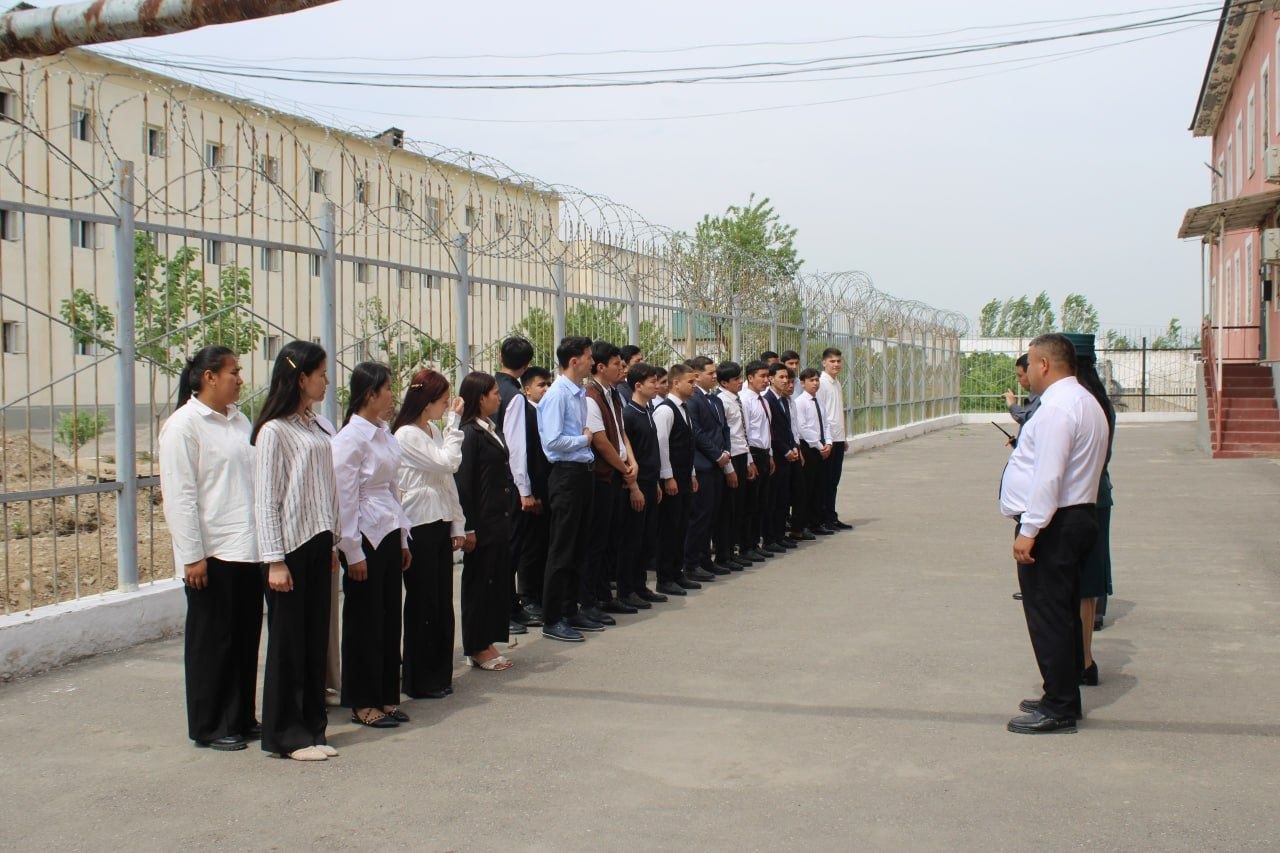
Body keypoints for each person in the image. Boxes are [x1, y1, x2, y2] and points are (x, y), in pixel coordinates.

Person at [999, 333, 1108, 735]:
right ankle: (1061, 693)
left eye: (1030, 362)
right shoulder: (1083, 401)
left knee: (1048, 616)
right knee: (1061, 613)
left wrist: (1029, 530)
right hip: (1073, 516)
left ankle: (1059, 706)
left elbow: (1049, 476)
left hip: (1054, 524)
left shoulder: (1058, 409)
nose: (1028, 370)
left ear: (1044, 364)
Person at [159, 345, 262, 752]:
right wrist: (192, 556)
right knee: (212, 642)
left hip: (247, 548)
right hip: (213, 551)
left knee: (244, 638)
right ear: (209, 377)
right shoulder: (184, 426)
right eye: (233, 371)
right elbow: (180, 496)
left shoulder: (239, 421)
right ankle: (211, 724)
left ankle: (240, 716)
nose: (240, 378)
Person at [251, 340, 341, 761]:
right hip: (289, 547)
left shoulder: (316, 425)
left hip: (318, 541)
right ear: (301, 378)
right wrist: (274, 560)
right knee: (289, 645)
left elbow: (327, 487)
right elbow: (266, 499)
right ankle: (286, 735)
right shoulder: (274, 431)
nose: (327, 381)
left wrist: (332, 540)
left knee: (313, 641)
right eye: (321, 374)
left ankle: (312, 728)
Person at [333, 362, 412, 729]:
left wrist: (403, 537)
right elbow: (345, 498)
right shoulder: (350, 439)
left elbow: (393, 488)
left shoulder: (384, 433)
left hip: (388, 528)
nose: (392, 395)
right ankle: (363, 701)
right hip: (364, 533)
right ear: (370, 394)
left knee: (388, 616)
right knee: (364, 620)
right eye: (387, 388)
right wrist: (352, 550)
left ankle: (385, 694)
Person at [393, 369, 466, 701]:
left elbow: (447, 483)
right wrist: (454, 425)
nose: (447, 406)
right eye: (443, 400)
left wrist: (457, 523)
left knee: (440, 602)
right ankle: (419, 678)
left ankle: (439, 672)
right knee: (423, 601)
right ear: (427, 401)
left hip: (438, 519)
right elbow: (447, 463)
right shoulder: (407, 435)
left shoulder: (433, 430)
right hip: (418, 522)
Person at [536, 336, 597, 642]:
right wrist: (585, 440)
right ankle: (553, 618)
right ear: (574, 361)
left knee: (579, 545)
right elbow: (552, 442)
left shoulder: (579, 392)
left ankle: (570, 609)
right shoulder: (558, 395)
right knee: (562, 548)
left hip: (583, 473)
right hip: (566, 475)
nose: (592, 362)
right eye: (588, 357)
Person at [1064, 333, 1116, 687]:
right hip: (1098, 497)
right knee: (1089, 581)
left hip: (1079, 500)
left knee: (1075, 582)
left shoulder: (1077, 404)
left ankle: (1080, 661)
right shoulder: (1099, 401)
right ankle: (1085, 659)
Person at [454, 372, 516, 671]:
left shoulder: (490, 428)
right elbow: (465, 484)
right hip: (481, 522)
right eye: (494, 393)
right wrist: (468, 527)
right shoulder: (469, 434)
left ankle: (488, 640)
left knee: (495, 582)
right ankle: (476, 645)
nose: (499, 398)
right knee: (479, 584)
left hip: (498, 518)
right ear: (480, 398)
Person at [583, 340, 640, 622]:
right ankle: (591, 600)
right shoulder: (591, 396)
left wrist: (632, 461)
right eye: (617, 364)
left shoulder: (614, 394)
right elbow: (601, 441)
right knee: (597, 543)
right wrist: (624, 468)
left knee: (612, 540)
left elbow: (620, 432)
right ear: (601, 367)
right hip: (602, 477)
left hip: (619, 473)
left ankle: (606, 595)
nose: (623, 368)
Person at [493, 336, 540, 634]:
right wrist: (525, 491)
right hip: (510, 482)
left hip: (494, 479)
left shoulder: (492, 387)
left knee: (509, 550)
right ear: (526, 366)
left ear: (500, 356)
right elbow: (516, 446)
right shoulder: (515, 396)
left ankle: (511, 606)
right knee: (510, 551)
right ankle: (503, 611)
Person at [618, 362, 668, 607]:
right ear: (638, 385)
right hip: (636, 485)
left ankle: (640, 586)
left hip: (650, 482)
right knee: (632, 540)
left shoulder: (647, 411)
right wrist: (634, 487)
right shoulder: (628, 414)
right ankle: (626, 590)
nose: (657, 386)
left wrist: (655, 482)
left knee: (647, 538)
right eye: (652, 382)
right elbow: (628, 456)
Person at [684, 356, 737, 577]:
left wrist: (726, 453)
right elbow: (696, 433)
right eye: (710, 373)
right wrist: (716, 455)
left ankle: (706, 560)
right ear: (696, 376)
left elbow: (724, 429)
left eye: (715, 372)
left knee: (713, 515)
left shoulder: (715, 400)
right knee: (700, 516)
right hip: (703, 464)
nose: (715, 376)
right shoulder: (693, 400)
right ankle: (692, 563)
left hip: (718, 464)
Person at [510, 367, 552, 627]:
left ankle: (538, 595)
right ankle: (527, 597)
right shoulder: (525, 412)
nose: (546, 389)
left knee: (542, 544)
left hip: (546, 487)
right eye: (540, 385)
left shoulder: (543, 411)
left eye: (548, 384)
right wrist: (529, 492)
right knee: (530, 547)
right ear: (527, 388)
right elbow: (523, 454)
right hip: (530, 490)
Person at [653, 363, 699, 594]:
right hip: (672, 479)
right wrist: (668, 477)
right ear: (676, 383)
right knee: (669, 528)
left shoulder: (684, 408)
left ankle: (676, 572)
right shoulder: (665, 410)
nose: (694, 386)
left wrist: (692, 473)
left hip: (684, 476)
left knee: (681, 526)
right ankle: (664, 578)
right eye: (690, 382)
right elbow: (661, 446)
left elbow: (687, 445)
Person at [717, 361, 758, 567]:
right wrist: (729, 468)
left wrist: (749, 460)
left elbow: (743, 433)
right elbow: (724, 436)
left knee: (741, 506)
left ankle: (737, 549)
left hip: (742, 455)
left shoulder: (737, 399)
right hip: (730, 458)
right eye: (735, 379)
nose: (740, 382)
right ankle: (725, 554)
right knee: (729, 509)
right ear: (724, 383)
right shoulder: (721, 402)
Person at [739, 360, 776, 561]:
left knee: (761, 501)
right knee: (750, 503)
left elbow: (766, 429)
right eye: (762, 376)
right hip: (752, 452)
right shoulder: (745, 400)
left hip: (763, 452)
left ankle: (755, 542)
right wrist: (749, 460)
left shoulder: (763, 400)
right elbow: (744, 431)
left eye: (767, 376)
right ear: (750, 378)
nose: (766, 380)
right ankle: (746, 546)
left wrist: (769, 454)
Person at [764, 364, 801, 552]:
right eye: (781, 377)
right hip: (776, 455)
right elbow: (772, 432)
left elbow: (789, 428)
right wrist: (785, 450)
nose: (786, 381)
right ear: (771, 379)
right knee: (773, 498)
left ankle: (779, 535)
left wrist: (793, 446)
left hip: (788, 455)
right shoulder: (768, 400)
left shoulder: (784, 400)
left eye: (787, 377)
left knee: (783, 498)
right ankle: (770, 538)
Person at [794, 368, 833, 537]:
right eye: (811, 380)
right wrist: (819, 446)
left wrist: (829, 442)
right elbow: (802, 428)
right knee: (807, 488)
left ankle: (817, 522)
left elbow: (826, 424)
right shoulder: (800, 402)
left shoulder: (819, 402)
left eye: (817, 380)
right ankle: (803, 525)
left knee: (819, 486)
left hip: (822, 447)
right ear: (803, 383)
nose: (815, 383)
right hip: (809, 448)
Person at [816, 347, 852, 530]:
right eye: (832, 361)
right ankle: (822, 518)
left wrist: (843, 437)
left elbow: (837, 412)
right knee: (825, 481)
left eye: (838, 361)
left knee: (833, 481)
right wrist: (826, 440)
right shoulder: (821, 383)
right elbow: (820, 414)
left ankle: (831, 516)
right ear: (824, 362)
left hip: (838, 439)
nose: (836, 364)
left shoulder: (836, 383)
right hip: (827, 440)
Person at [1003, 354, 1041, 426]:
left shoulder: (1042, 397)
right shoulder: (1035, 395)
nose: (1017, 380)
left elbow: (1028, 420)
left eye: (1020, 375)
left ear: (1032, 374)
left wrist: (1012, 405)